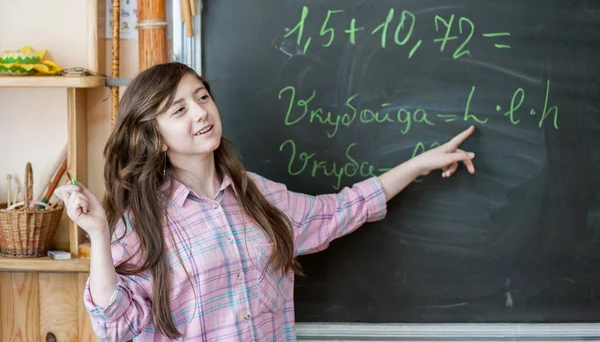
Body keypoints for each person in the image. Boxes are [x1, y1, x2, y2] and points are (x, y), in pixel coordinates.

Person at [54, 62, 476, 342]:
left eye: (202, 97)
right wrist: (99, 234)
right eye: (178, 110)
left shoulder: (257, 195)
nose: (201, 113)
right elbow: (115, 326)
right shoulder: (141, 220)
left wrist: (419, 164)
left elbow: (342, 210)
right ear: (156, 137)